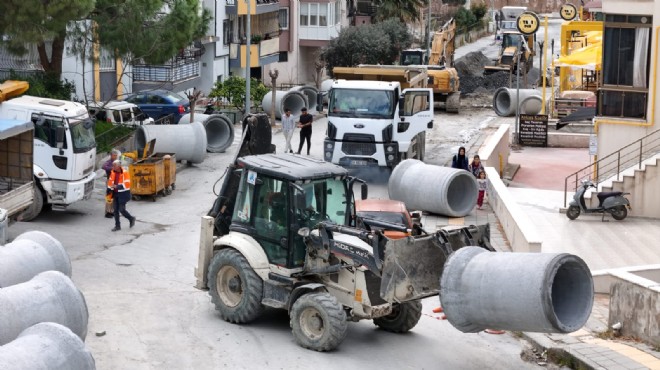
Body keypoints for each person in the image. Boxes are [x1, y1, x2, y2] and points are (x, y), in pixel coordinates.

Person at [107, 160, 136, 231]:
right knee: (115, 210)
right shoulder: (113, 172)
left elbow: (127, 184)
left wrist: (117, 186)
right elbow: (110, 183)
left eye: (114, 165)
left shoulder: (125, 173)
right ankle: (117, 226)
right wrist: (108, 195)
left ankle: (131, 218)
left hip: (123, 194)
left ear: (119, 166)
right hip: (115, 194)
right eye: (113, 165)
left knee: (122, 210)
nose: (113, 167)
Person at [101, 149, 121, 218]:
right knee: (109, 196)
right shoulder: (108, 162)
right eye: (114, 155)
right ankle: (107, 212)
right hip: (109, 181)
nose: (115, 157)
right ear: (111, 156)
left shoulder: (117, 162)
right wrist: (112, 168)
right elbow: (103, 166)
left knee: (114, 197)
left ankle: (111, 211)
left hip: (115, 182)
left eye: (116, 156)